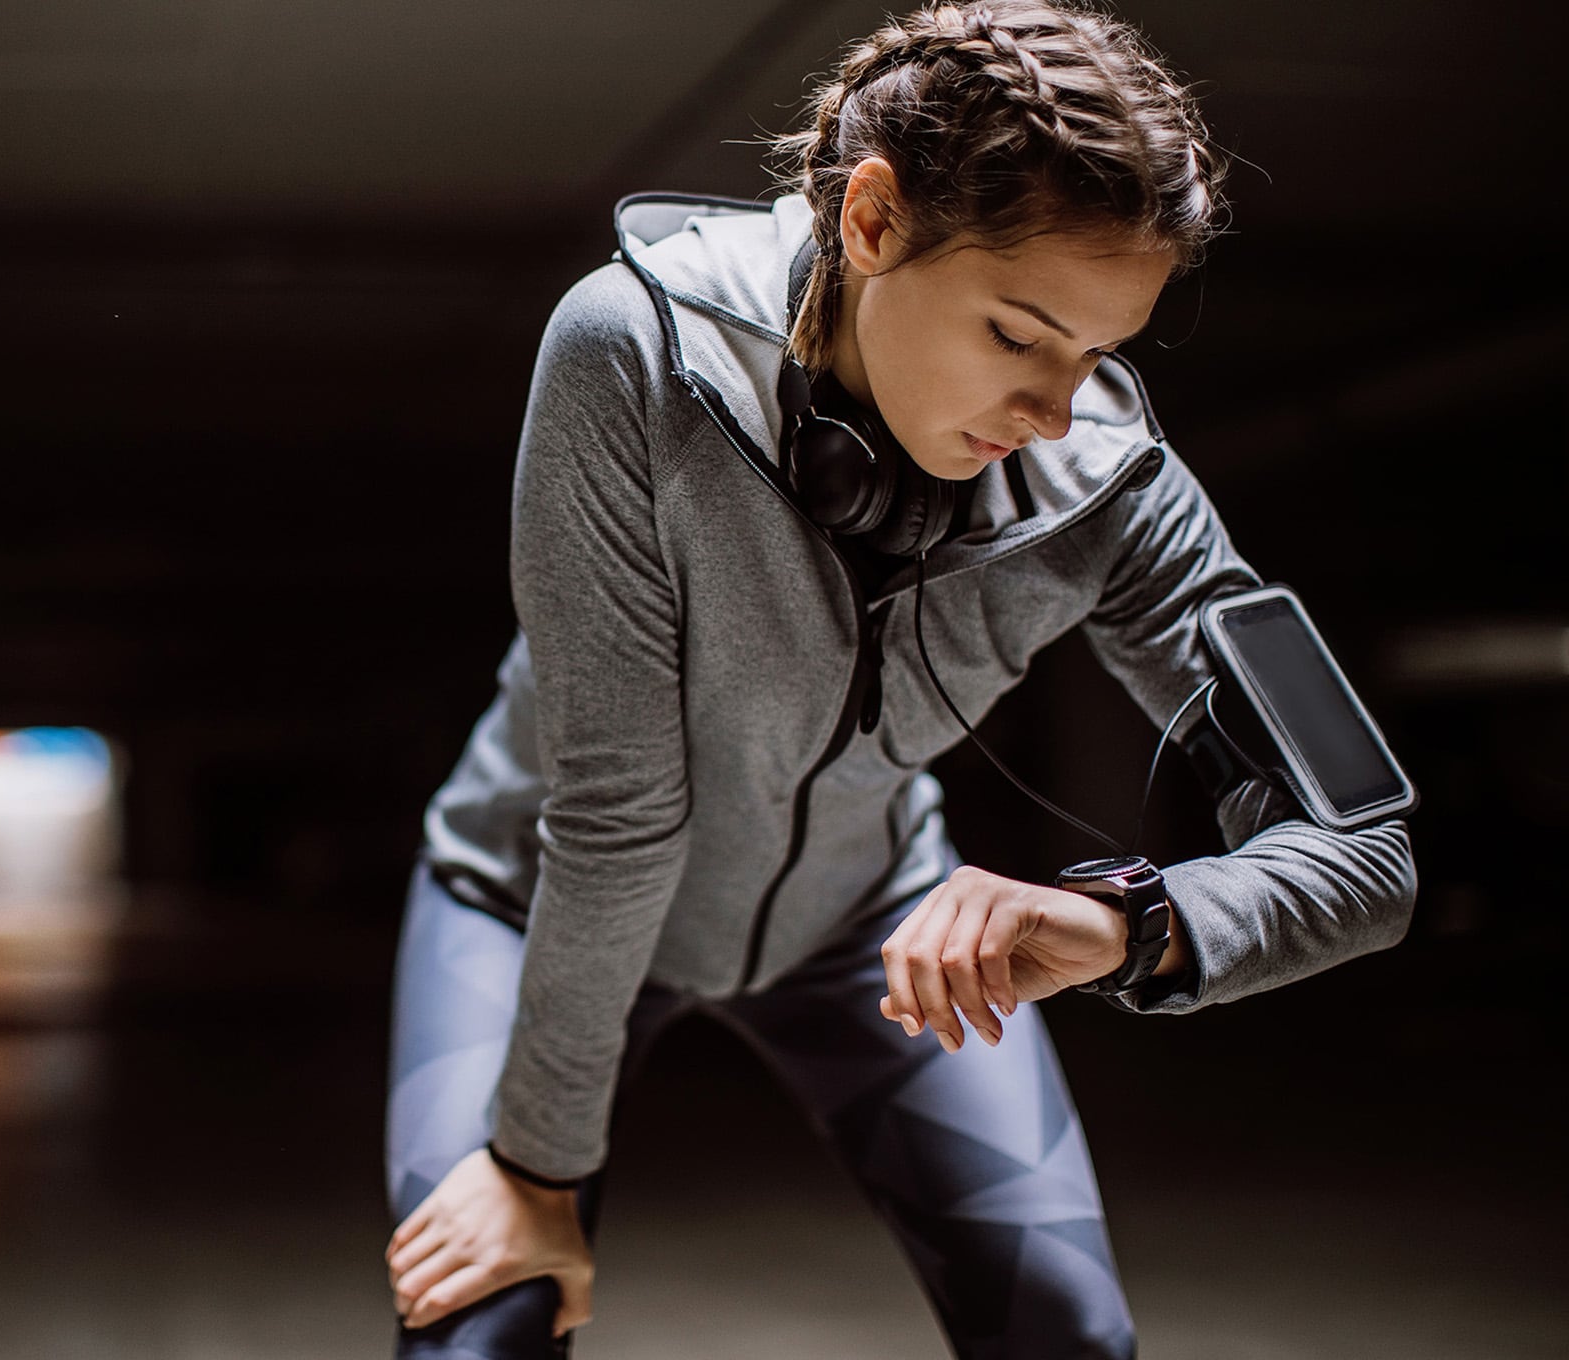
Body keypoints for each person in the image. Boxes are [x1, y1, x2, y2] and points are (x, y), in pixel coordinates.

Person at [382, 2, 1416, 1355]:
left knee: (1069, 1341)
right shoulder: (633, 351)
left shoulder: (1108, 480)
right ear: (870, 222)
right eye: (1017, 334)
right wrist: (537, 1174)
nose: (1055, 413)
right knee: (482, 1325)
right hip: (530, 904)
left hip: (857, 919)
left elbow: (1368, 851)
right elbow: (622, 814)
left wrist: (1127, 924)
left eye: (1098, 355)